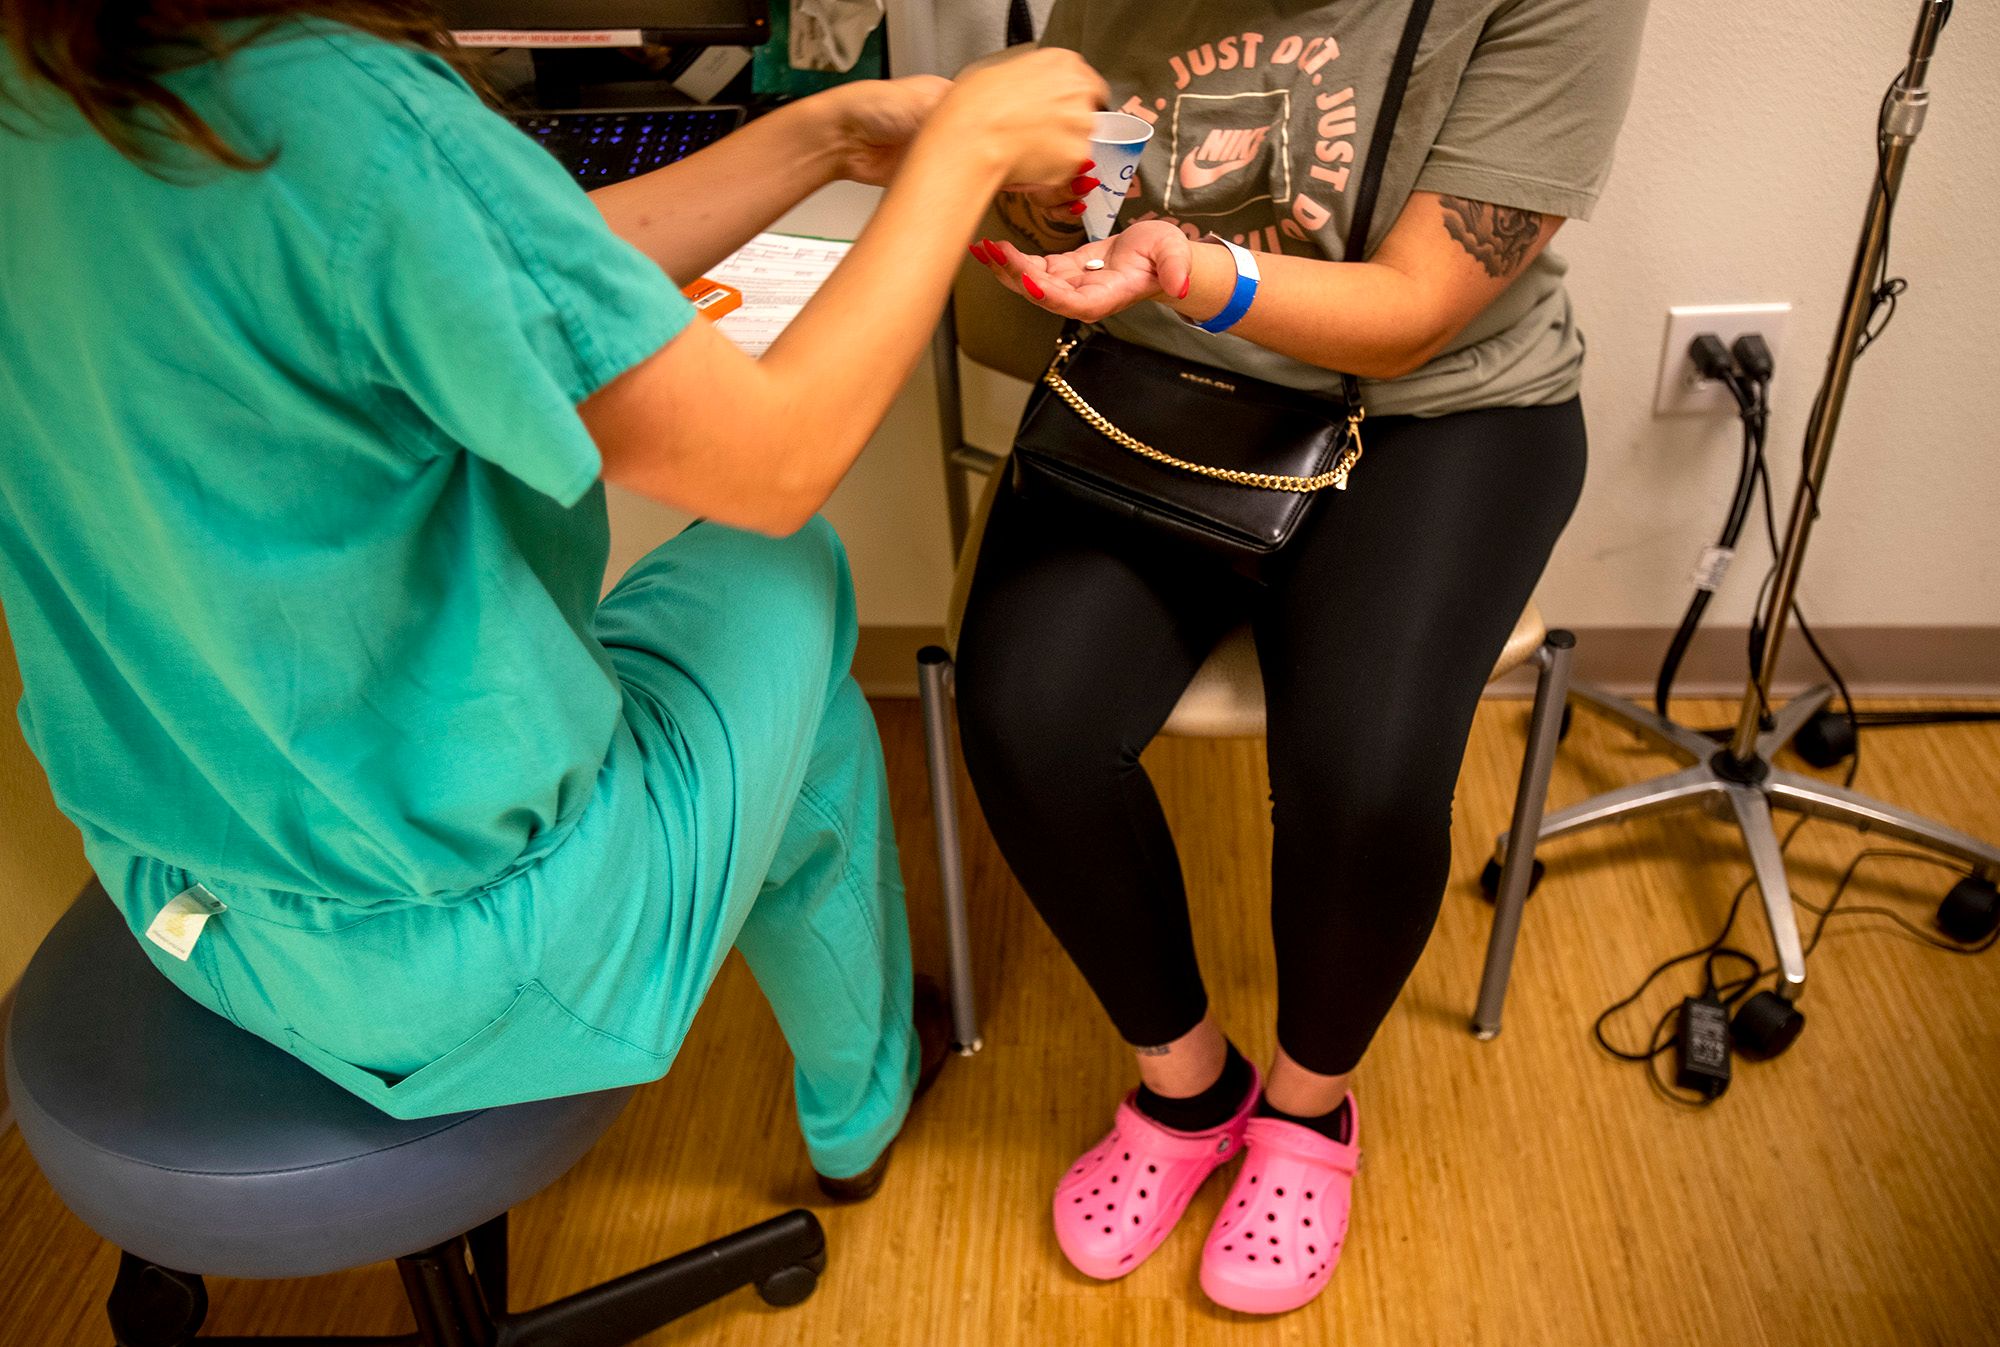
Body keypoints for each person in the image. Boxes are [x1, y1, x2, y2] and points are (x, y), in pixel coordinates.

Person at [0, 1, 1103, 1199]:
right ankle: (856, 1109)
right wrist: (967, 151)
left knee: (782, 716)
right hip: (451, 956)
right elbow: (775, 466)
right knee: (782, 571)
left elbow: (484, 265)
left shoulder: (55, 78)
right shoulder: (336, 109)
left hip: (184, 897)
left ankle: (861, 1089)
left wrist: (826, 137)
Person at [953, 0, 1647, 1312]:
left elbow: (1412, 310)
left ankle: (1309, 1110)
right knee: (1025, 714)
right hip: (1166, 377)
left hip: (1438, 405)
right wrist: (1060, 208)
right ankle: (1188, 1086)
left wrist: (1190, 270)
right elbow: (1109, 155)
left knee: (1366, 776)